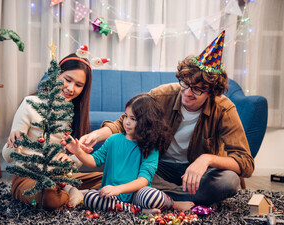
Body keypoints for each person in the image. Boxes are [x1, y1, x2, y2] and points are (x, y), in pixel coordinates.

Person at [78, 30, 255, 206]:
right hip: (159, 168)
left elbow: (246, 162)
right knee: (134, 173)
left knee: (229, 181)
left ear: (212, 91)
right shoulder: (162, 95)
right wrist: (97, 135)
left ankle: (160, 197)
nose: (187, 92)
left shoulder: (224, 109)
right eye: (185, 84)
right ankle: (179, 200)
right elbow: (126, 121)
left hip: (199, 173)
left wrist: (207, 159)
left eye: (197, 89)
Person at [2, 52, 102, 210]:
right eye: (67, 80)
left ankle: (71, 191)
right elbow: (7, 158)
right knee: (48, 198)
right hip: (29, 178)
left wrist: (74, 158)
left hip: (60, 177)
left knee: (112, 180)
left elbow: (74, 164)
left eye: (78, 85)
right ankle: (74, 193)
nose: (70, 88)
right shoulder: (30, 103)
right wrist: (14, 143)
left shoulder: (74, 113)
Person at [66, 93, 194, 214]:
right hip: (111, 196)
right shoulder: (113, 139)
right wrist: (78, 151)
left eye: (133, 119)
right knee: (90, 198)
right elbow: (93, 161)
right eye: (126, 116)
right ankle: (138, 210)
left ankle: (172, 204)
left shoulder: (150, 147)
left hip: (137, 194)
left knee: (154, 197)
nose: (126, 122)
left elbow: (143, 181)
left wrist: (119, 189)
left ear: (147, 122)